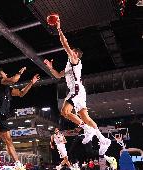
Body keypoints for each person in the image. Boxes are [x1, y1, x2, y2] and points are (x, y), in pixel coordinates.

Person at [43, 16, 111, 156]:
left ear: (76, 55)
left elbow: (65, 44)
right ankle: (103, 139)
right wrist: (50, 67)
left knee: (65, 112)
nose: (70, 52)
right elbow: (58, 75)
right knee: (85, 117)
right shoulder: (69, 65)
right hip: (79, 90)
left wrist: (59, 28)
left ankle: (86, 129)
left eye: (72, 51)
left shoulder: (74, 60)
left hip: (76, 89)